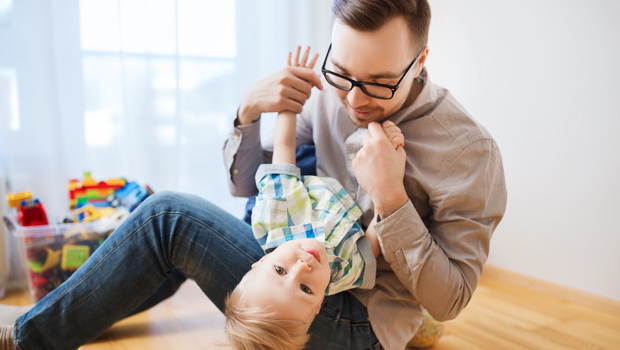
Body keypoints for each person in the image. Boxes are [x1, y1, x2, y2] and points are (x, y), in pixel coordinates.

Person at [0, 0, 506, 349]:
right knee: (190, 237)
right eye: (342, 73)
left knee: (170, 219)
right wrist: (246, 114)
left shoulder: (468, 153)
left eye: (377, 83)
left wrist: (393, 201)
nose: (353, 99)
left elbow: (452, 298)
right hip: (286, 286)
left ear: (419, 62)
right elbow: (252, 189)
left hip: (357, 325)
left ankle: (28, 339)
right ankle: (57, 322)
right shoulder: (331, 98)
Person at [225, 47, 409, 350]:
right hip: (345, 196)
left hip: (304, 181)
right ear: (321, 303)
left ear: (260, 262)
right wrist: (389, 163)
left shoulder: (276, 217)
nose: (303, 267)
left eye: (280, 270)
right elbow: (378, 228)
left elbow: (284, 148)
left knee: (301, 158)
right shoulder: (345, 270)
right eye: (305, 289)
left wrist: (290, 102)